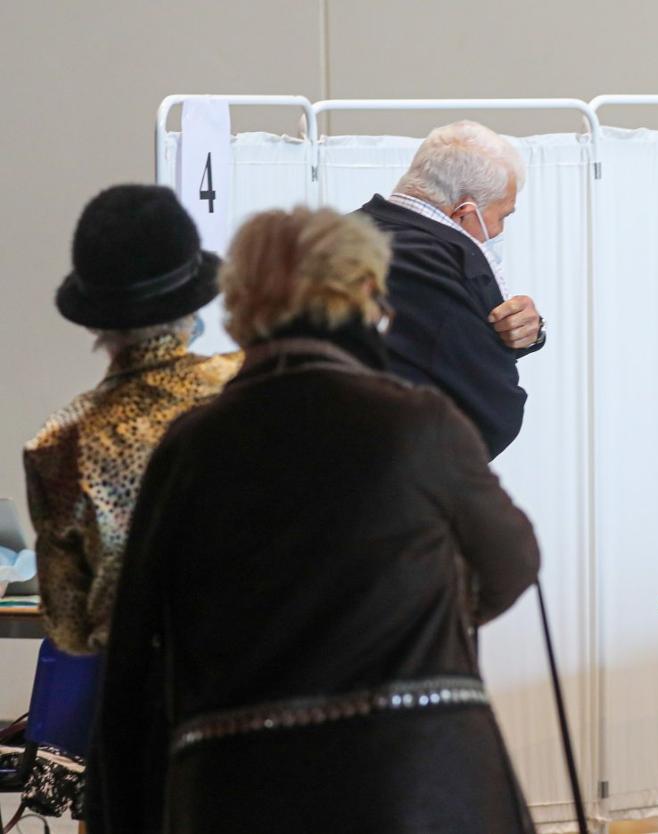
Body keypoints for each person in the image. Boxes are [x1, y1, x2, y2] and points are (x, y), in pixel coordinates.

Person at [95, 208, 541, 834]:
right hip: (419, 773)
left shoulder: (193, 445)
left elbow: (136, 636)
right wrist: (424, 606)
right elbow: (512, 562)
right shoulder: (417, 422)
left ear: (238, 305)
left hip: (237, 781)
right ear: (369, 293)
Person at [20, 184, 239, 821]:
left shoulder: (60, 443)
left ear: (94, 319)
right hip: (254, 693)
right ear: (194, 300)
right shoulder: (248, 386)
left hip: (138, 718)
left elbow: (68, 629)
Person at [355, 120, 546, 460]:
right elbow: (489, 405)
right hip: (392, 470)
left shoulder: (332, 239)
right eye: (503, 216)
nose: (499, 230)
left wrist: (529, 333)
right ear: (464, 213)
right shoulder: (445, 263)